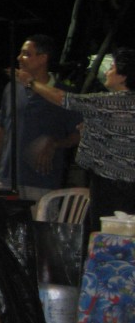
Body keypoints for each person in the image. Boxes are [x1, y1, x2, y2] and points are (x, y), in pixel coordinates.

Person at [15, 48, 135, 233]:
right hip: (130, 186)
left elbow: (63, 99)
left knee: (105, 237)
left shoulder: (107, 102)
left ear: (123, 76)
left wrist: (31, 82)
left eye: (112, 68)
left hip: (110, 184)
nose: (107, 72)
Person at [0, 35, 81, 202]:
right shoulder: (12, 88)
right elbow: (2, 130)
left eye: (26, 54)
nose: (19, 58)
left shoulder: (63, 95)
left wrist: (55, 144)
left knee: (38, 227)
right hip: (7, 179)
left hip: (42, 182)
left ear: (43, 58)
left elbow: (78, 135)